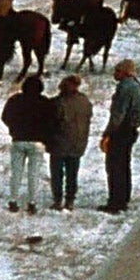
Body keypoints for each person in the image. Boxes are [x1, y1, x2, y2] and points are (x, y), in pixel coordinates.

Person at [0, 74, 54, 212]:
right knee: (34, 174)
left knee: (16, 173)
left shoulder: (15, 100)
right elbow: (52, 122)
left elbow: (5, 117)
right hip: (37, 142)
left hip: (18, 140)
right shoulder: (45, 102)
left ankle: (13, 200)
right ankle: (32, 202)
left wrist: (14, 128)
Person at [100, 58, 140, 213]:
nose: (115, 74)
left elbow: (118, 114)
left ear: (125, 72)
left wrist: (108, 133)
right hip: (131, 130)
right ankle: (124, 197)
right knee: (124, 165)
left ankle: (115, 202)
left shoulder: (124, 88)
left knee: (114, 167)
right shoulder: (138, 86)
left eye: (117, 71)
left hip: (121, 131)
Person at [49, 74, 92, 210]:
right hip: (78, 143)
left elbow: (51, 122)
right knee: (72, 174)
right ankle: (70, 200)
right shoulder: (85, 101)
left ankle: (57, 200)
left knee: (57, 174)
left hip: (59, 143)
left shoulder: (57, 103)